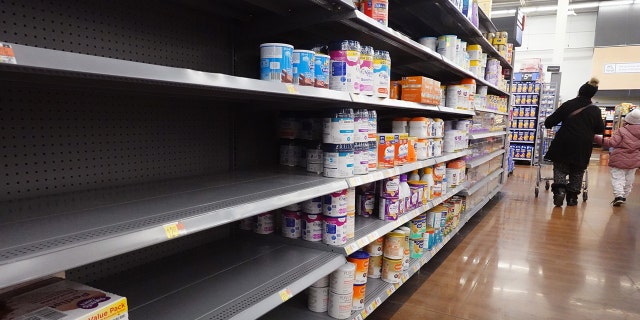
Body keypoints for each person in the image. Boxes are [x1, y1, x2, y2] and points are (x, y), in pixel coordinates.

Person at [544, 78, 604, 206]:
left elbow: (550, 122)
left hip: (564, 142)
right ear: (592, 95)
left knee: (560, 167)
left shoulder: (568, 104)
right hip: (583, 145)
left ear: (580, 91)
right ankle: (572, 198)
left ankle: (560, 190)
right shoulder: (595, 110)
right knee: (578, 170)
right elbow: (600, 129)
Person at [593, 109, 640, 206]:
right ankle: (624, 196)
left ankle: (619, 195)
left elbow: (611, 143)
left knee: (618, 178)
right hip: (634, 160)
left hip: (619, 159)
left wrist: (596, 138)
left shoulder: (622, 131)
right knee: (629, 180)